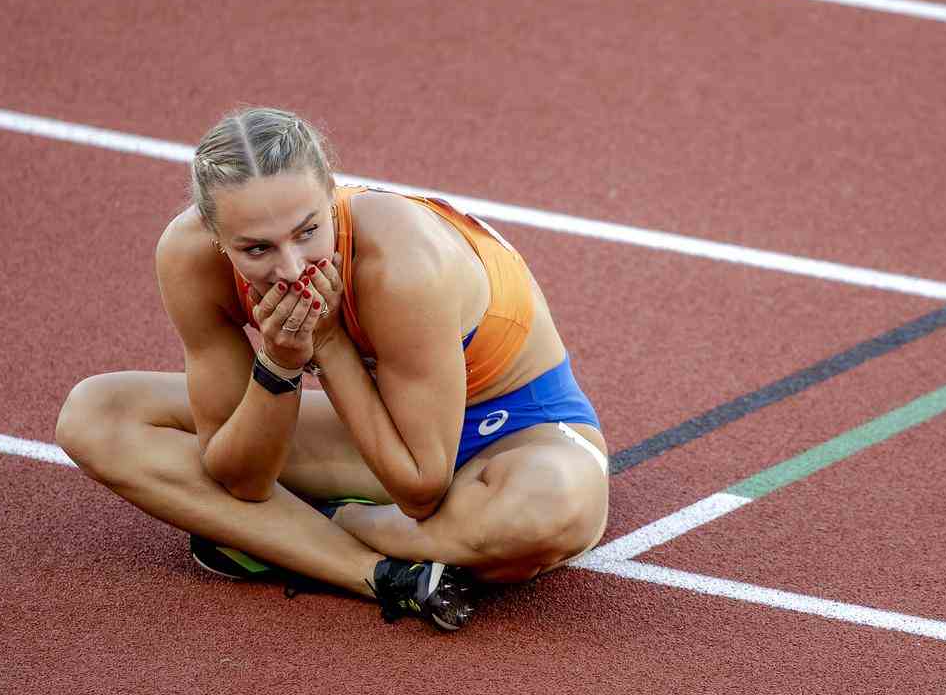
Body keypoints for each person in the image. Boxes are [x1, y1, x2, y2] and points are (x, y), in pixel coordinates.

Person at [54, 107, 610, 631]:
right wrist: (280, 362)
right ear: (216, 237)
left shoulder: (400, 263)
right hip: (373, 435)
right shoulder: (188, 257)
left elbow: (421, 487)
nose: (291, 269)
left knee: (544, 508)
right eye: (255, 250)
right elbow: (240, 479)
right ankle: (385, 576)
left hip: (516, 435)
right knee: (95, 415)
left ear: (332, 194)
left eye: (307, 232)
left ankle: (314, 529)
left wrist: (328, 344)